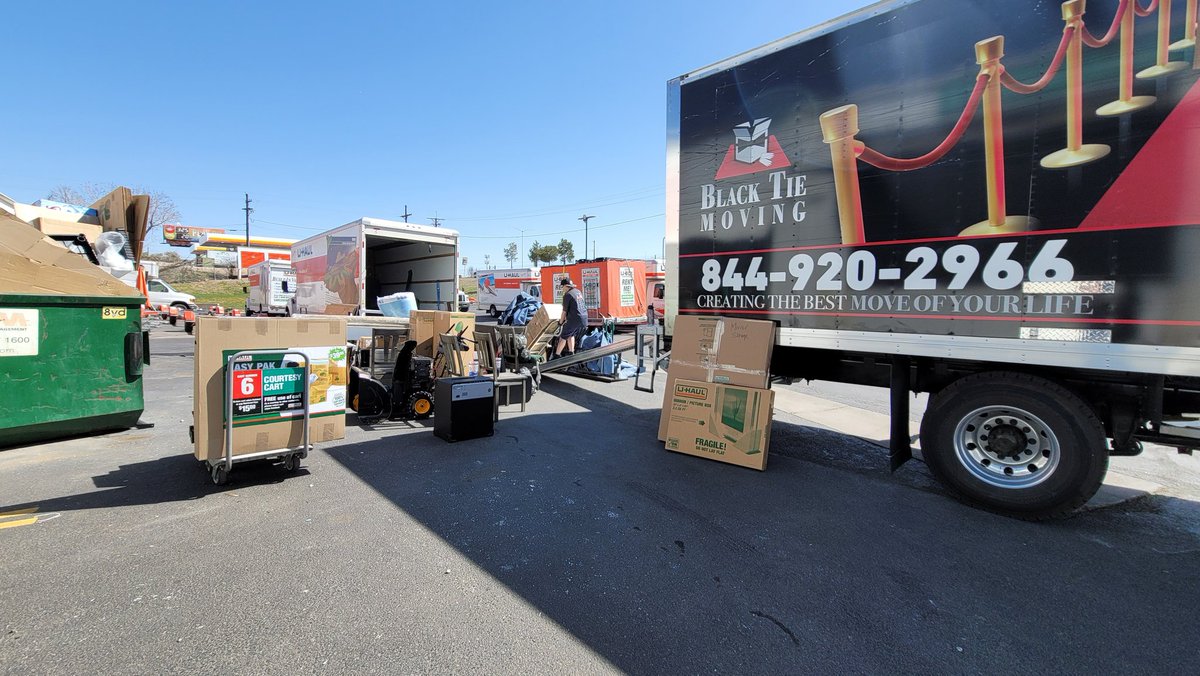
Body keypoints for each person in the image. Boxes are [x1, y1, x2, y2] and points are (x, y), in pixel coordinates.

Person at [554, 277, 588, 358]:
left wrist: (560, 322)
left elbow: (564, 311)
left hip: (575, 319)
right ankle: (571, 353)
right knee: (571, 334)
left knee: (563, 336)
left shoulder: (568, 295)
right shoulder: (578, 292)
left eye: (562, 287)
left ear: (566, 286)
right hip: (584, 318)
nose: (562, 289)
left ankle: (556, 355)